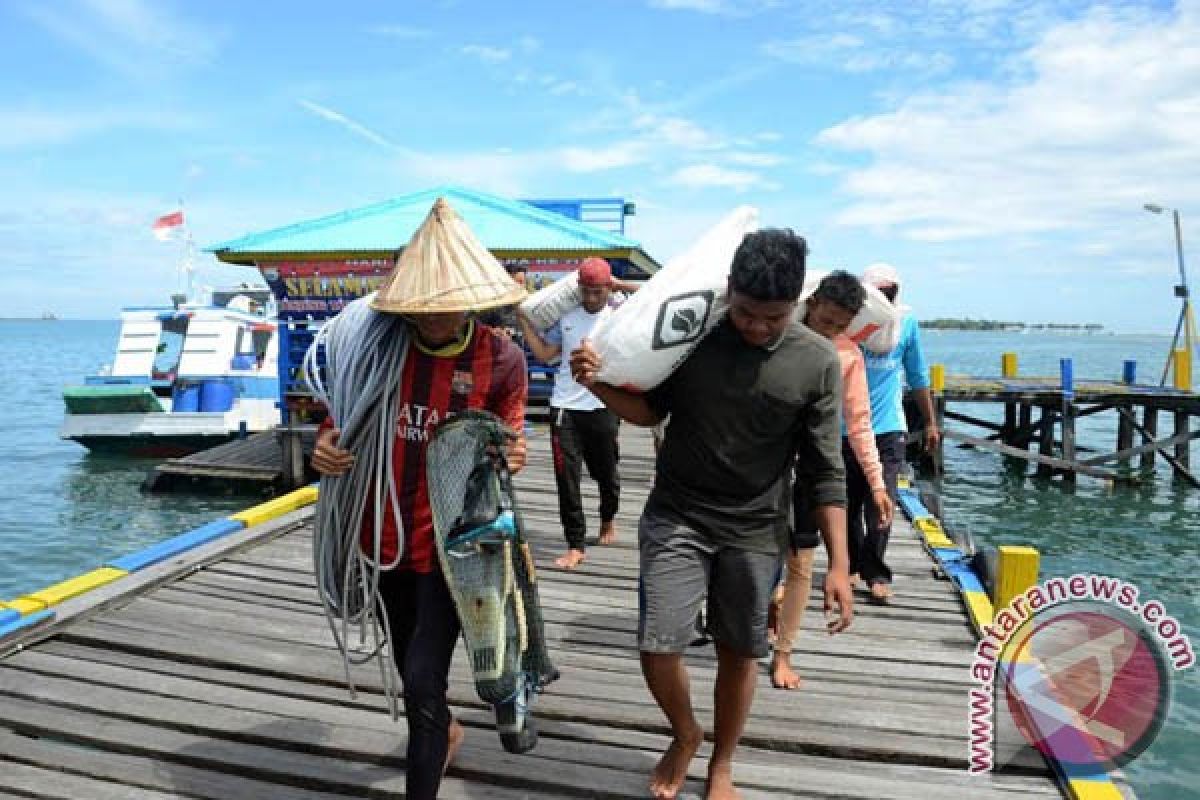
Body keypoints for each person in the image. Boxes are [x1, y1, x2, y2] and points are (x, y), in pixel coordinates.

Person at [570, 230, 854, 800]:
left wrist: (840, 565)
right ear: (729, 291)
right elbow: (649, 413)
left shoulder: (817, 361)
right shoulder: (693, 336)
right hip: (678, 512)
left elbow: (826, 470)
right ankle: (685, 732)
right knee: (658, 642)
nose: (755, 326)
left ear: (797, 301)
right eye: (746, 312)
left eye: (772, 318)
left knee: (738, 650)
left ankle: (722, 763)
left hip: (755, 528)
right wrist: (594, 383)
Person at [310, 216, 529, 800]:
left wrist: (515, 448)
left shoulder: (502, 361)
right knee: (416, 677)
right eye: (424, 307)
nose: (435, 317)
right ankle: (443, 730)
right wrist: (326, 443)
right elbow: (342, 419)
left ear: (473, 301)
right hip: (380, 539)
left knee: (422, 679)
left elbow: (509, 433)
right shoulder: (377, 351)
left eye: (449, 306)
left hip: (453, 551)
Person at [770, 270, 894, 690]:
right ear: (812, 303)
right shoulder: (775, 331)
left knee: (802, 562)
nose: (831, 332)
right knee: (760, 558)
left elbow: (860, 424)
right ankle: (770, 602)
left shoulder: (847, 356)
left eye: (841, 326)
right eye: (826, 322)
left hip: (811, 466)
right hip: (763, 465)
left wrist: (877, 484)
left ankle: (783, 652)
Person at [517, 257, 623, 570]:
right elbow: (545, 354)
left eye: (598, 292)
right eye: (586, 291)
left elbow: (654, 296)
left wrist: (619, 286)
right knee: (567, 479)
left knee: (607, 474)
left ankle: (607, 518)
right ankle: (575, 544)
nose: (591, 299)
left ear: (608, 287)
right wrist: (523, 321)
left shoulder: (619, 314)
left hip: (603, 405)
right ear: (578, 288)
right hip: (564, 405)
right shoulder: (566, 316)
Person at [854, 262, 939, 604]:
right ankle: (851, 561)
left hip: (888, 427)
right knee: (845, 503)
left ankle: (875, 572)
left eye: (888, 293)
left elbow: (917, 377)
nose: (883, 299)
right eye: (876, 293)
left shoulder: (907, 325)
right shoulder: (849, 324)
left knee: (882, 501)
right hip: (846, 427)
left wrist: (931, 421)